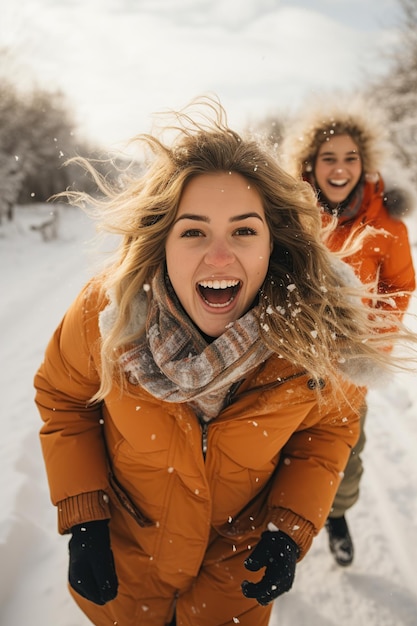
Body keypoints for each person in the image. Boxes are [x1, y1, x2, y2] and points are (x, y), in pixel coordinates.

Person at [34, 97, 415, 626]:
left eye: (243, 230)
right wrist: (84, 515)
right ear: (160, 239)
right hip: (128, 569)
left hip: (234, 579)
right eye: (193, 231)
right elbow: (63, 400)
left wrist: (290, 525)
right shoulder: (106, 316)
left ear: (273, 243)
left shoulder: (314, 341)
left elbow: (330, 430)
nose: (219, 257)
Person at [281, 95, 416, 567]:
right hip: (287, 361)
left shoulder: (387, 221)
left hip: (348, 371)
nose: (340, 169)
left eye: (350, 158)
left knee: (343, 457)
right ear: (310, 163)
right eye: (329, 158)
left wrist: (369, 343)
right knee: (272, 451)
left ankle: (336, 515)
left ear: (365, 162)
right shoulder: (285, 211)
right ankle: (274, 537)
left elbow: (400, 283)